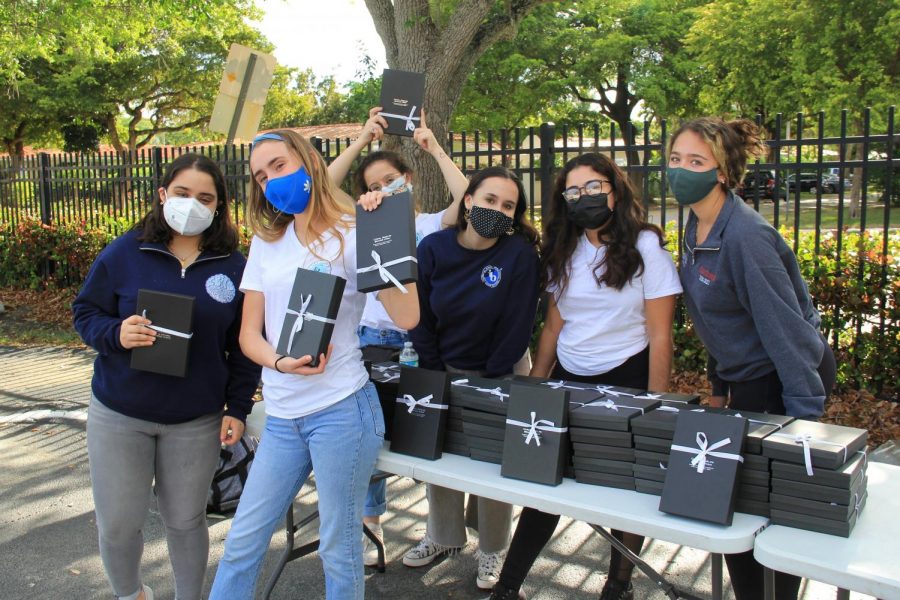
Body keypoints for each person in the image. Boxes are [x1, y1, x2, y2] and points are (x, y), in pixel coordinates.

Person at [207, 129, 419, 600]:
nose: (271, 181)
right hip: (282, 415)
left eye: (278, 166)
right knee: (243, 540)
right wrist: (280, 363)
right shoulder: (269, 240)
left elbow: (407, 316)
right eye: (261, 177)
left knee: (338, 548)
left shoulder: (351, 234)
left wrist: (384, 234)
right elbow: (248, 335)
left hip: (341, 411)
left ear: (308, 161)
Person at [488, 153, 682, 600]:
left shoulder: (647, 248)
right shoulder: (563, 249)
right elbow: (553, 327)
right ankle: (508, 586)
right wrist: (535, 385)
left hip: (626, 376)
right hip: (570, 377)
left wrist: (656, 403)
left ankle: (618, 585)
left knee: (623, 492)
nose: (584, 198)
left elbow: (659, 335)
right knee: (546, 485)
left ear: (615, 189)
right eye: (573, 192)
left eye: (593, 187)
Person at [72, 153, 261, 600]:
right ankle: (131, 593)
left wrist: (237, 407)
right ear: (162, 195)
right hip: (120, 413)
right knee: (117, 524)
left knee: (185, 521)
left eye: (204, 197)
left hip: (194, 420)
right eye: (181, 193)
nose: (191, 204)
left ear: (219, 207)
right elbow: (85, 312)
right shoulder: (125, 252)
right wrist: (116, 332)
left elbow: (245, 345)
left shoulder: (235, 267)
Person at [667, 117, 836, 600]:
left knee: (768, 513)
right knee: (733, 509)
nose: (681, 170)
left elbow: (787, 333)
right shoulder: (696, 223)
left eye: (696, 162)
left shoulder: (747, 238)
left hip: (783, 377)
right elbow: (715, 322)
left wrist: (804, 422)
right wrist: (719, 389)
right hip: (745, 378)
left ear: (721, 172)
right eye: (676, 159)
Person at [327, 106, 469, 566]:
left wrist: (434, 148)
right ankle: (371, 526)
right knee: (370, 436)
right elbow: (325, 185)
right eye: (371, 186)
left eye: (389, 179)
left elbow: (470, 199)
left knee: (425, 434)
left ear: (407, 177)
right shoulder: (360, 224)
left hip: (418, 345)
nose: (381, 189)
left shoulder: (428, 226)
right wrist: (363, 138)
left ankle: (439, 532)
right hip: (368, 340)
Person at [404, 166, 541, 591]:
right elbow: (419, 313)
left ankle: (493, 549)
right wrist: (435, 365)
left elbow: (519, 323)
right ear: (467, 201)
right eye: (488, 200)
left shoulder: (518, 255)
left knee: (492, 464)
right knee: (440, 458)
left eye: (508, 206)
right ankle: (443, 536)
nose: (496, 210)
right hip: (441, 363)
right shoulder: (433, 248)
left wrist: (492, 378)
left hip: (500, 369)